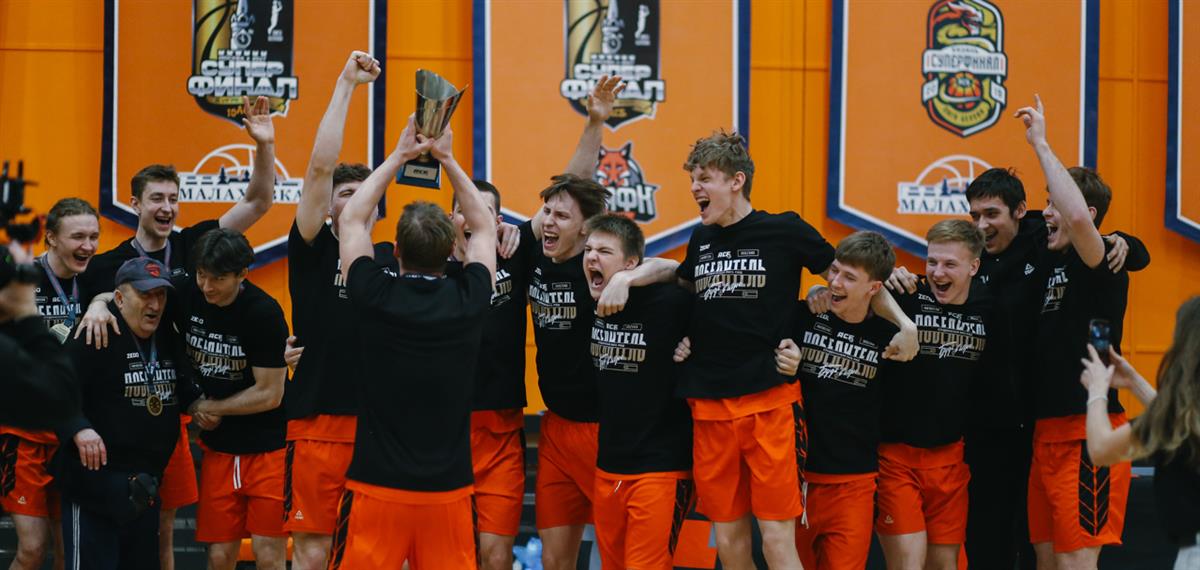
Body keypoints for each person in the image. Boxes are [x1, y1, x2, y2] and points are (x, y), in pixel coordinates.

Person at [668, 131, 916, 569]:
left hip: (770, 405)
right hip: (708, 406)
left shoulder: (784, 229)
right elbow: (680, 285)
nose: (694, 188)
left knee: (776, 541)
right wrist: (630, 281)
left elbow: (851, 277)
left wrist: (905, 323)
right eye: (692, 179)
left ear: (736, 181)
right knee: (729, 542)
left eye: (704, 178)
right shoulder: (700, 239)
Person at [75, 94, 278, 569]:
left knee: (163, 526)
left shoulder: (194, 245)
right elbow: (90, 318)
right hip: (127, 412)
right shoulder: (107, 265)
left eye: (173, 198)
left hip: (180, 407)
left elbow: (258, 201)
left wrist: (264, 145)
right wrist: (99, 302)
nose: (167, 207)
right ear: (134, 204)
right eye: (157, 199)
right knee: (122, 525)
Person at [326, 116, 495, 567]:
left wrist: (399, 156)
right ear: (450, 252)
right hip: (449, 492)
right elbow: (484, 228)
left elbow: (352, 219)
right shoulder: (470, 298)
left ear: (395, 250)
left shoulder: (373, 293)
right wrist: (448, 159)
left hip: (375, 488)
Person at [280, 50, 393, 570]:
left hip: (380, 426)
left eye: (367, 191)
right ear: (328, 207)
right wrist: (347, 83)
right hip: (318, 424)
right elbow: (320, 168)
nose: (357, 199)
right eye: (346, 193)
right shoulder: (314, 247)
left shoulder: (396, 259)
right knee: (311, 550)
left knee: (374, 552)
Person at [1017, 95, 1131, 570]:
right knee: (1046, 560)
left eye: (1053, 202)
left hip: (1089, 435)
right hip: (1045, 433)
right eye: (1045, 202)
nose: (1047, 212)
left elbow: (1079, 219)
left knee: (1075, 565)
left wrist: (1041, 144)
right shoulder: (1049, 260)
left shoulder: (1100, 263)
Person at [56, 257, 207, 569]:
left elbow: (185, 388)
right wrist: (79, 428)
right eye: (145, 295)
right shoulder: (95, 331)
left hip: (144, 487)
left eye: (161, 295)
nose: (155, 304)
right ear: (120, 299)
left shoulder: (166, 335)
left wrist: (207, 407)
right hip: (95, 486)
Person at [874, 220, 997, 570]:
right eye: (932, 262)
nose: (937, 272)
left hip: (950, 458)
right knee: (908, 563)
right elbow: (865, 290)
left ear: (973, 266)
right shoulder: (908, 293)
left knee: (945, 564)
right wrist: (892, 284)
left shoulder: (988, 306)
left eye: (949, 264)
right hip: (897, 457)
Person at [584, 214, 694, 569]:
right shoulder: (589, 298)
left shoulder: (669, 302)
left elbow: (687, 276)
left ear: (631, 263)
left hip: (660, 467)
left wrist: (695, 342)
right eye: (588, 250)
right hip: (608, 466)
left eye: (604, 251)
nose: (591, 257)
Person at [177, 228, 289, 570]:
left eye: (218, 279)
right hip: (220, 449)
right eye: (202, 275)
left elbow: (270, 394)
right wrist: (99, 305)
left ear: (242, 274)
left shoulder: (263, 313)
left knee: (268, 555)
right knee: (219, 556)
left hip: (269, 450)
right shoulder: (187, 293)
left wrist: (210, 407)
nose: (207, 286)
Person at [789, 231, 901, 570]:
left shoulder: (888, 337)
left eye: (849, 277)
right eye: (834, 271)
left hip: (854, 483)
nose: (835, 282)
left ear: (874, 288)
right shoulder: (802, 316)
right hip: (796, 480)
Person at [1, 198, 98, 570]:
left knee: (66, 548)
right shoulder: (19, 276)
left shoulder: (95, 279)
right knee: (32, 549)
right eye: (78, 237)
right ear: (51, 238)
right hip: (22, 433)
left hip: (69, 434)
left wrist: (102, 301)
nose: (87, 246)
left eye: (93, 237)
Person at [1080, 297, 1199, 570]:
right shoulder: (1180, 417)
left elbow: (1100, 450)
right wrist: (1134, 382)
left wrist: (1097, 392)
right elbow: (1178, 424)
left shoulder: (1176, 417)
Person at [448, 180, 530, 570]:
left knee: (496, 557)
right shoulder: (427, 264)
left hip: (501, 433)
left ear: (497, 221)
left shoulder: (514, 256)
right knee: (450, 556)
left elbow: (563, 211)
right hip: (444, 436)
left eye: (484, 210)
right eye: (464, 209)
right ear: (451, 218)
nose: (473, 216)